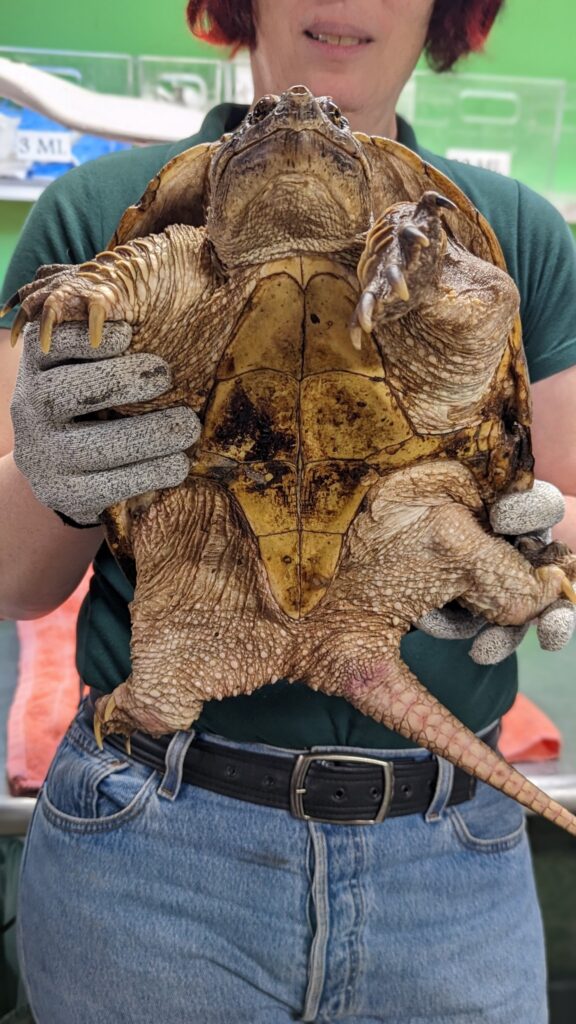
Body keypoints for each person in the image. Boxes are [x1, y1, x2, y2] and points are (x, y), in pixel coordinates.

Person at [0, 1, 575, 1021]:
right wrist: (49, 464)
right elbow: (13, 580)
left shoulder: (516, 237)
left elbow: (566, 519)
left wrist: (527, 556)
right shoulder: (108, 212)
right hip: (156, 840)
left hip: (447, 868)